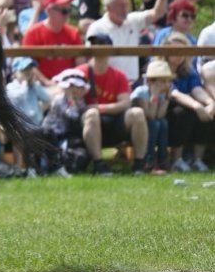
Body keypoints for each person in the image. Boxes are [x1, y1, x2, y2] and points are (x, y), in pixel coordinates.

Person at [78, 33, 149, 175]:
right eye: (94, 44)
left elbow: (124, 103)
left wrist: (100, 108)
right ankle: (99, 164)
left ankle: (139, 164)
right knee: (92, 114)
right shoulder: (80, 72)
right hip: (88, 124)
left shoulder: (118, 75)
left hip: (115, 122)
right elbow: (76, 103)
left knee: (137, 113)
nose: (97, 48)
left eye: (101, 44)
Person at [86, 0, 167, 86]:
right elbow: (90, 58)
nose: (125, 9)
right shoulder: (97, 28)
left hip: (133, 82)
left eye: (126, 5)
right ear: (108, 7)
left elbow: (157, 13)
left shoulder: (132, 21)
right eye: (121, 6)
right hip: (108, 84)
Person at [163, 31, 215, 172]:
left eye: (182, 50)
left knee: (207, 112)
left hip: (189, 103)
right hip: (165, 106)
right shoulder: (161, 68)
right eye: (175, 50)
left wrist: (210, 103)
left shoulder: (188, 70)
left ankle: (197, 160)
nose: (179, 54)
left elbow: (196, 89)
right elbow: (174, 93)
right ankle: (177, 160)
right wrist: (196, 105)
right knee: (184, 113)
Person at [21, 0, 83, 80]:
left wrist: (69, 83)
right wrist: (47, 83)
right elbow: (28, 64)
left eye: (69, 10)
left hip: (69, 84)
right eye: (64, 11)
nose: (67, 15)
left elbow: (80, 64)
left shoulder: (74, 33)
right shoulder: (33, 33)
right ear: (49, 11)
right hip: (40, 85)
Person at [42, 68, 89, 176]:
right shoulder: (59, 100)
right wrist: (71, 100)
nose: (75, 89)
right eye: (71, 86)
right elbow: (73, 116)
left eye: (78, 87)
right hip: (53, 136)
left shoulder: (80, 101)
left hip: (68, 135)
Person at [131, 59, 174, 174]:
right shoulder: (141, 92)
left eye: (168, 81)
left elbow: (160, 115)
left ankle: (162, 159)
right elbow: (150, 115)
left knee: (163, 122)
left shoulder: (162, 94)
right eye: (162, 81)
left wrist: (167, 99)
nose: (166, 84)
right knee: (154, 124)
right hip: (138, 125)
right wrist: (154, 96)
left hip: (153, 120)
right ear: (150, 82)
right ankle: (148, 160)